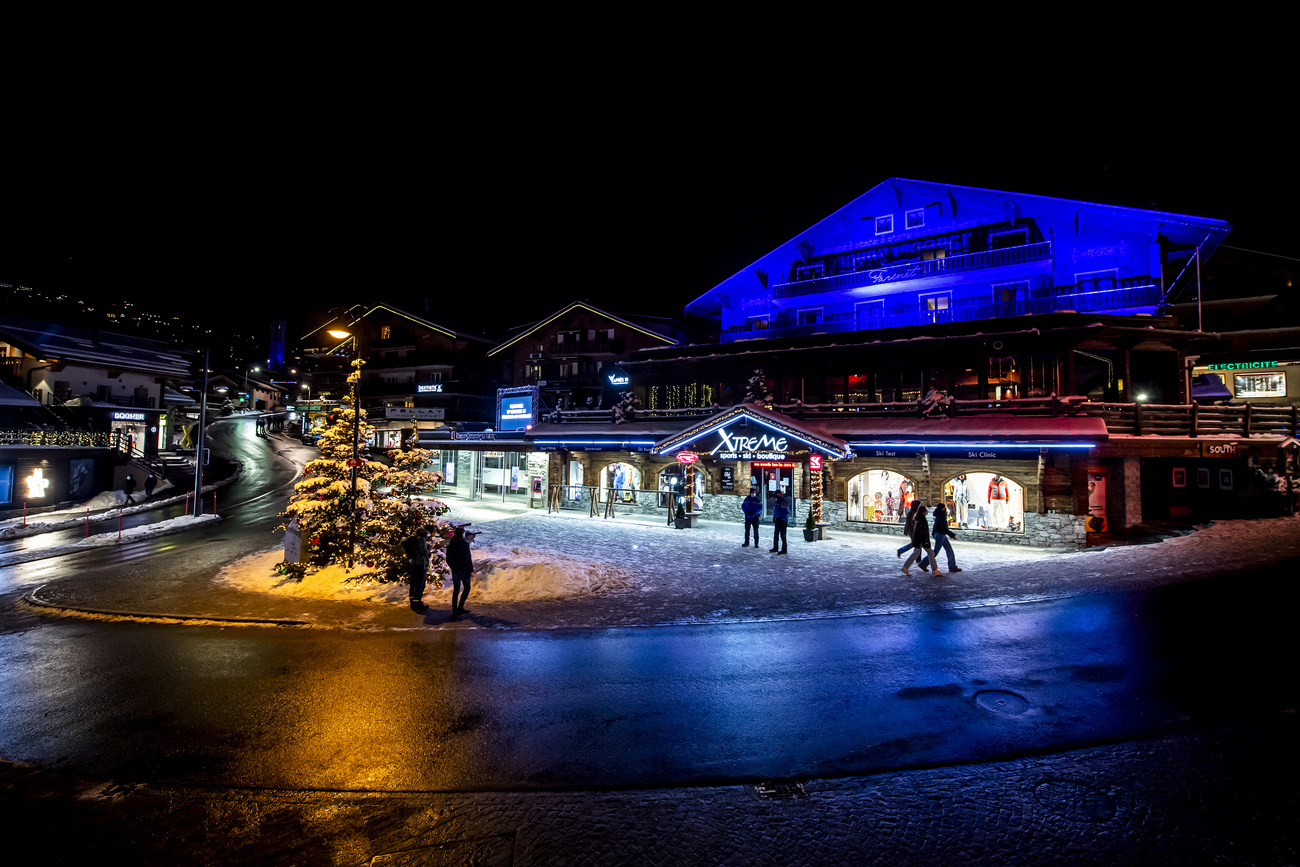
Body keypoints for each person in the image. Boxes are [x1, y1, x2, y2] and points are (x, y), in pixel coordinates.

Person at [918, 502, 962, 574]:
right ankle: (924, 563)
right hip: (941, 535)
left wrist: (934, 533)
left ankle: (952, 566)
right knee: (936, 551)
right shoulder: (941, 517)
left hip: (940, 535)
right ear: (943, 508)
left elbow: (936, 526)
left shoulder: (938, 515)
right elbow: (944, 529)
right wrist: (952, 535)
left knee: (949, 550)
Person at [902, 505, 943, 577]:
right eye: (926, 510)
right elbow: (923, 532)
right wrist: (926, 541)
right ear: (923, 512)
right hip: (922, 541)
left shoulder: (918, 518)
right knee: (930, 553)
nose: (927, 511)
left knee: (921, 553)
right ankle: (934, 570)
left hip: (919, 540)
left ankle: (905, 568)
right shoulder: (922, 520)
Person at [446, 524, 474, 617]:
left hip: (455, 570)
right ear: (462, 534)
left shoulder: (451, 544)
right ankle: (460, 607)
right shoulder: (464, 544)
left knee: (456, 590)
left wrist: (453, 567)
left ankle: (454, 610)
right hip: (464, 570)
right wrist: (471, 569)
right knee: (467, 588)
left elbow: (448, 558)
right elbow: (467, 558)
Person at [401, 528, 430, 612]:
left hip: (414, 563)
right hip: (420, 563)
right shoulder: (421, 539)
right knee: (420, 583)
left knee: (414, 582)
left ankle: (413, 602)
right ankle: (417, 603)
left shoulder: (411, 539)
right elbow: (423, 551)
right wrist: (429, 548)